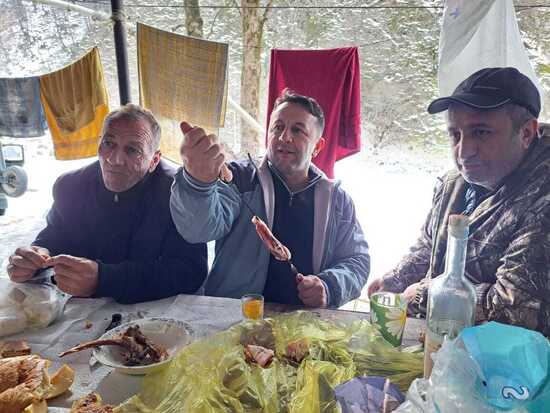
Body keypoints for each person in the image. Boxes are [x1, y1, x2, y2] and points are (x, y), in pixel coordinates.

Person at [369, 67, 550, 335]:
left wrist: (422, 295)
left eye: (481, 133)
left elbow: (515, 308)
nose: (463, 151)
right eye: (455, 134)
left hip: (509, 359)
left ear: (526, 133)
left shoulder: (543, 200)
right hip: (444, 345)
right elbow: (430, 245)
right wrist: (394, 280)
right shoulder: (454, 184)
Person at [170, 90, 370, 308]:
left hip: (305, 321)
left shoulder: (337, 201)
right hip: (235, 315)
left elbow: (357, 260)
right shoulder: (239, 179)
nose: (284, 137)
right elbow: (198, 230)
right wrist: (197, 182)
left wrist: (329, 286)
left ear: (317, 146)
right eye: (278, 127)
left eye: (297, 130)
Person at [6, 104, 207, 304]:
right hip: (83, 313)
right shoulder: (70, 186)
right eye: (109, 143)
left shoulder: (179, 195)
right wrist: (35, 257)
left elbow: (190, 272)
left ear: (154, 160)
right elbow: (55, 235)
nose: (115, 159)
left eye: (132, 150)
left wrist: (104, 279)